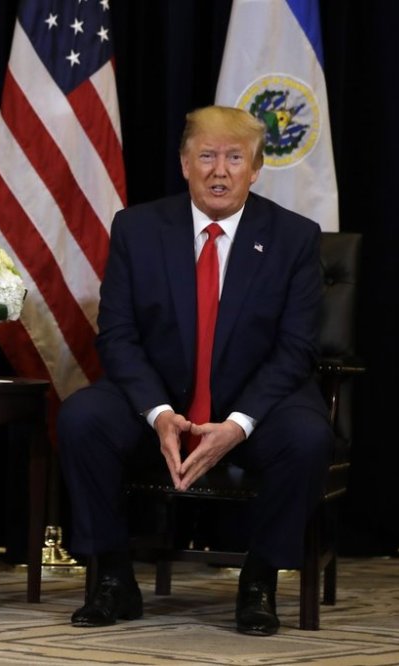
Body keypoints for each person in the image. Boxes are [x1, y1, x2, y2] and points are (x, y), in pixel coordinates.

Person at [57, 105, 333, 636]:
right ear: (185, 164)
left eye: (235, 157)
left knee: (306, 437)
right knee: (82, 418)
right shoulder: (137, 228)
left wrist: (239, 423)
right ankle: (113, 576)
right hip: (159, 398)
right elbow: (116, 334)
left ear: (255, 170)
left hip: (254, 404)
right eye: (206, 156)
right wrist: (159, 413)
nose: (219, 170)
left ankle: (259, 579)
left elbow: (296, 348)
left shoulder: (294, 237)